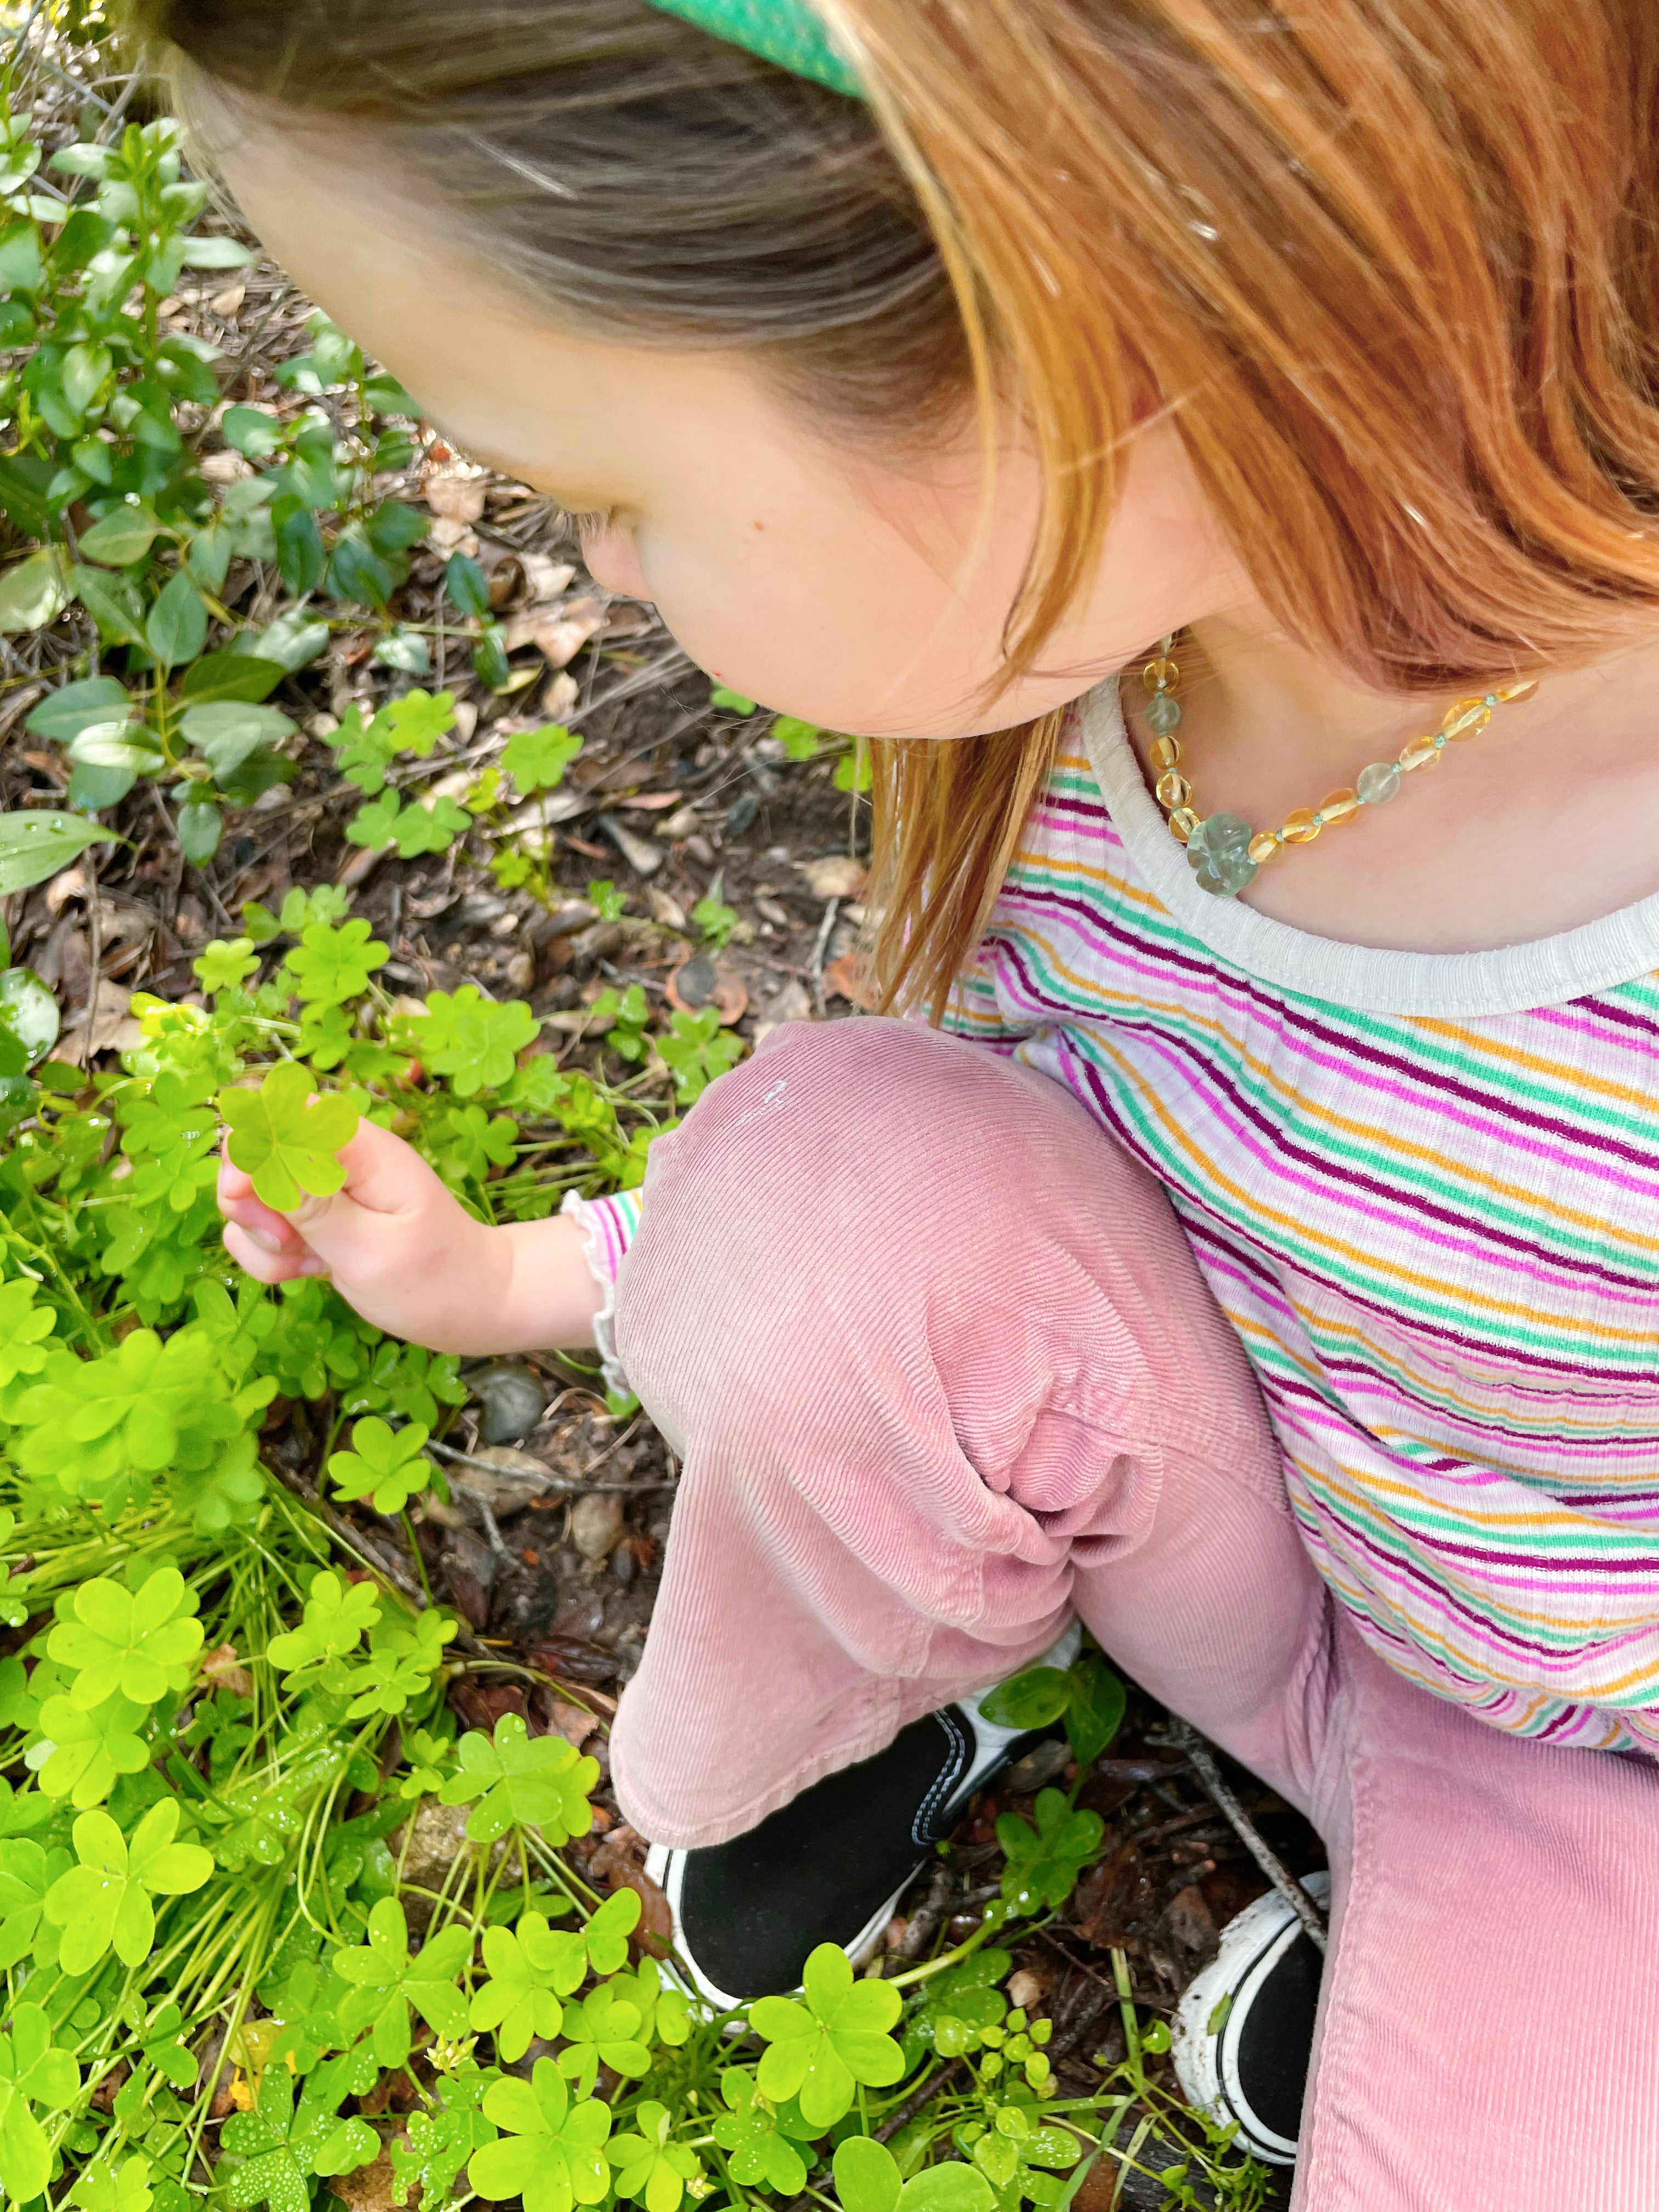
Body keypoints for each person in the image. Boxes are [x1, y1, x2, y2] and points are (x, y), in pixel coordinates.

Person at [154, 0, 1659, 2197]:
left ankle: (1487, 1949)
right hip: (1257, 1563)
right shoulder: (1107, 676)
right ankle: (919, 1717)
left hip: (1583, 1739)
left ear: (1077, 346)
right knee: (836, 1183)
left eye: (604, 496)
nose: (608, 578)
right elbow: (1023, 1166)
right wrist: (513, 1276)